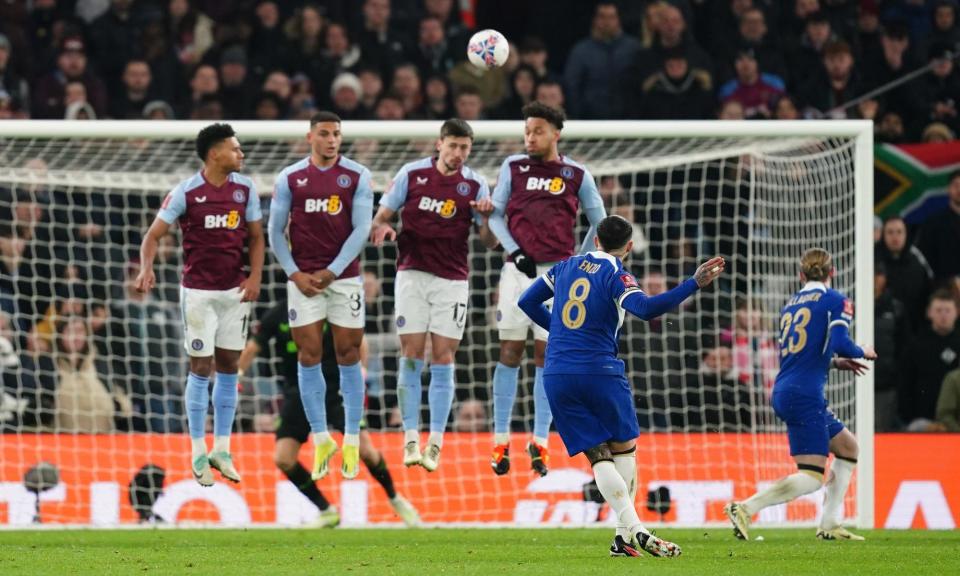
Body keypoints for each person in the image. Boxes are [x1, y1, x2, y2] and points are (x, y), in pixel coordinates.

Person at [517, 214, 722, 557]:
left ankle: (624, 538)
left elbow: (526, 301)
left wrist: (561, 332)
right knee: (624, 449)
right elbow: (645, 308)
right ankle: (633, 530)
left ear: (594, 240)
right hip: (598, 370)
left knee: (599, 458)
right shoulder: (616, 273)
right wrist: (693, 283)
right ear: (629, 247)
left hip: (556, 373)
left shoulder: (565, 266)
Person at [135, 123, 264, 486]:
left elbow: (255, 237)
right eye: (235, 149)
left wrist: (254, 277)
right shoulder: (187, 192)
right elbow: (152, 236)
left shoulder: (246, 189)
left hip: (234, 292)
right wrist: (147, 268)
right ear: (214, 154)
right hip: (198, 293)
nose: (242, 154)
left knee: (229, 366)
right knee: (201, 366)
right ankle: (196, 451)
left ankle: (221, 449)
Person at [725, 248, 877, 542]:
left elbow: (800, 354)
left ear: (800, 275)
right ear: (832, 273)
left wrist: (834, 362)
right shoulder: (836, 299)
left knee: (848, 448)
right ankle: (746, 507)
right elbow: (842, 341)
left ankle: (830, 523)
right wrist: (862, 352)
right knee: (811, 476)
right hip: (805, 394)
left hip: (788, 387)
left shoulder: (790, 305)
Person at [487, 101, 606, 477]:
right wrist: (514, 250)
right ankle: (499, 438)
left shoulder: (576, 173)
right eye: (527, 131)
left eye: (537, 131)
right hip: (516, 270)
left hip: (556, 274)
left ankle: (540, 439)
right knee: (509, 350)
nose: (530, 137)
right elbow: (494, 214)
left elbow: (599, 221)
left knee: (547, 355)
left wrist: (577, 260)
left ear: (556, 133)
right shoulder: (512, 168)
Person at [370, 119, 495, 471]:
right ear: (439, 144)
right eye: (453, 145)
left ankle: (436, 443)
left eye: (464, 148)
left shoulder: (475, 184)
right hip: (412, 275)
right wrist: (383, 229)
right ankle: (410, 439)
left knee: (443, 358)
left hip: (452, 281)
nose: (458, 153)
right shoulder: (411, 175)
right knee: (411, 354)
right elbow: (381, 218)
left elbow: (490, 241)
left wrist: (485, 220)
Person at [238, 300, 420, 527]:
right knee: (283, 458)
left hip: (337, 390)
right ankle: (326, 510)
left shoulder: (331, 306)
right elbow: (254, 347)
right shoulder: (278, 313)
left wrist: (360, 373)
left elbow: (359, 341)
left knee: (365, 450)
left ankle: (396, 499)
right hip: (299, 394)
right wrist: (236, 376)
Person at [268, 111, 374, 480]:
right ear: (310, 136)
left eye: (337, 134)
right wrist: (294, 273)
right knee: (309, 356)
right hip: (303, 281)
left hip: (343, 280)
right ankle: (321, 436)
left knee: (347, 354)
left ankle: (350, 436)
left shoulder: (358, 176)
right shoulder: (291, 178)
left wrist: (333, 271)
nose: (332, 140)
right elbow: (274, 232)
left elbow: (362, 230)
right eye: (325, 134)